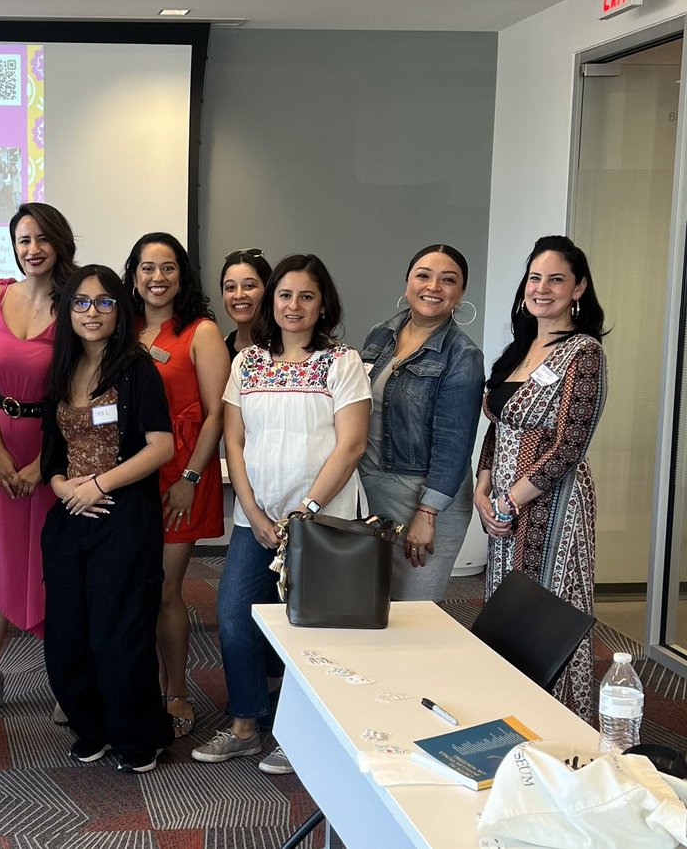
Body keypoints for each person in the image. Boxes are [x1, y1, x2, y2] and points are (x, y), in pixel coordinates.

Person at [194, 254, 371, 774]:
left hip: (325, 523)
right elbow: (234, 437)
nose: (294, 306)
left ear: (323, 305)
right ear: (273, 302)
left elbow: (352, 444)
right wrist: (249, 505)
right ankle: (247, 724)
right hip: (258, 520)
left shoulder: (342, 363)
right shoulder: (247, 362)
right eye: (285, 295)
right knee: (234, 617)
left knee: (312, 629)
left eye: (306, 296)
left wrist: (307, 510)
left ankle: (300, 733)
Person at [41, 264, 176, 773]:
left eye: (104, 302)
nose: (91, 312)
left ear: (121, 310)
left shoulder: (136, 367)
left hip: (122, 516)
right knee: (67, 635)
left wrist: (98, 484)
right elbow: (52, 457)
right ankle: (90, 725)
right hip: (69, 517)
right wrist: (63, 486)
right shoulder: (60, 369)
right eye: (80, 302)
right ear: (67, 311)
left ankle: (140, 734)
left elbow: (160, 446)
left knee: (117, 634)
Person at [475, 235, 607, 724]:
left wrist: (510, 501)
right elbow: (499, 425)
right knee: (506, 611)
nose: (542, 288)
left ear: (579, 289)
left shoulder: (582, 353)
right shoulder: (519, 349)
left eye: (556, 279)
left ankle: (561, 728)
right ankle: (507, 719)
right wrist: (482, 490)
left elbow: (571, 444)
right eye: (535, 278)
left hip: (554, 506)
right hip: (503, 507)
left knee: (549, 615)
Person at [0, 202, 77, 719]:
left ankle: (67, 681)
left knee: (57, 566)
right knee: (2, 561)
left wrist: (43, 462)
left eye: (42, 238)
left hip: (59, 445)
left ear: (60, 243)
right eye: (24, 239)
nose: (33, 249)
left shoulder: (79, 303)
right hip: (1, 439)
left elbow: (82, 390)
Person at [122, 233, 227, 737]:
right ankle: (141, 684)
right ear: (134, 275)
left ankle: (177, 690)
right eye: (147, 268)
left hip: (181, 474)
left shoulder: (200, 331)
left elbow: (215, 415)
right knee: (134, 588)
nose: (157, 278)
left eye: (167, 268)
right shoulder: (126, 328)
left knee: (165, 591)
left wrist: (189, 478)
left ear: (182, 276)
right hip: (132, 473)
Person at [359, 245, 485, 601]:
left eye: (449, 280)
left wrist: (427, 514)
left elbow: (454, 443)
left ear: (460, 294)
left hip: (421, 495)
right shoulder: (380, 335)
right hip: (368, 490)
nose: (434, 286)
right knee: (366, 604)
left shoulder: (463, 356)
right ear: (407, 282)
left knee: (412, 612)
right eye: (424, 275)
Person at [219, 248, 272, 360]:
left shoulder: (284, 347)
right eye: (230, 287)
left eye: (249, 286)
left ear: (269, 290)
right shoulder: (220, 349)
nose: (239, 295)